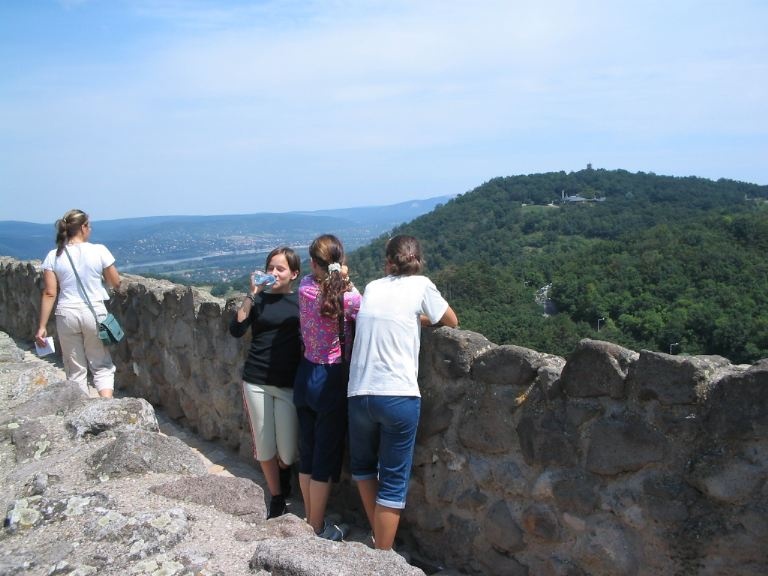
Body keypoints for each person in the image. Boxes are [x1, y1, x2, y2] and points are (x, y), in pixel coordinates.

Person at [347, 234, 459, 550]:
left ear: (388, 262)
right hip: (398, 394)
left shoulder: (372, 287)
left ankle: (377, 536)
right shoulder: (422, 285)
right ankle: (382, 557)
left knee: (363, 469)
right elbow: (451, 321)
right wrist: (417, 319)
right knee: (393, 482)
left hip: (358, 392)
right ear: (418, 260)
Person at [293, 234, 361, 540]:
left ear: (312, 263)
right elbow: (361, 305)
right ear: (340, 262)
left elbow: (322, 290)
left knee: (307, 451)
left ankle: (310, 516)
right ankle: (316, 527)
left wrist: (337, 277)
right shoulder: (347, 299)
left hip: (305, 372)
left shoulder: (305, 288)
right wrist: (345, 280)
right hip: (331, 378)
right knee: (324, 455)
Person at [229, 247, 302, 519]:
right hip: (256, 380)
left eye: (280, 269)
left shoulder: (300, 302)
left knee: (287, 452)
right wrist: (252, 294)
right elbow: (236, 329)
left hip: (287, 384)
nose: (274, 273)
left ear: (294, 274)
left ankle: (283, 476)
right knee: (264, 446)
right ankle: (276, 497)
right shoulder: (258, 300)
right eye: (270, 267)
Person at [35, 209, 121, 398]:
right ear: (83, 227)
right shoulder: (99, 250)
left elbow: (50, 293)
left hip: (66, 314)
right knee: (101, 364)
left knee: (75, 369)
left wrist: (42, 326)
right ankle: (106, 406)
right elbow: (116, 282)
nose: (90, 229)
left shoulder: (53, 256)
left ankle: (81, 409)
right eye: (89, 226)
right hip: (94, 312)